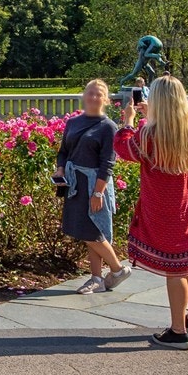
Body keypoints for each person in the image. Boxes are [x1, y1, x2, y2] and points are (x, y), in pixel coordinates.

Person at [115, 75, 188, 349]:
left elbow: (124, 148)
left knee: (175, 270)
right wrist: (150, 119)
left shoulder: (148, 134)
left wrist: (129, 122)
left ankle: (178, 332)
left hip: (164, 208)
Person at [55, 80, 131, 295]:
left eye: (99, 94)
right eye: (90, 93)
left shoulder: (108, 127)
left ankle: (117, 270)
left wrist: (98, 192)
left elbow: (108, 163)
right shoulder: (73, 122)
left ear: (105, 99)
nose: (94, 97)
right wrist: (60, 170)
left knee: (92, 232)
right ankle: (96, 278)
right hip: (74, 183)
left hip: (94, 184)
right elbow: (63, 151)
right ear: (84, 95)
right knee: (88, 231)